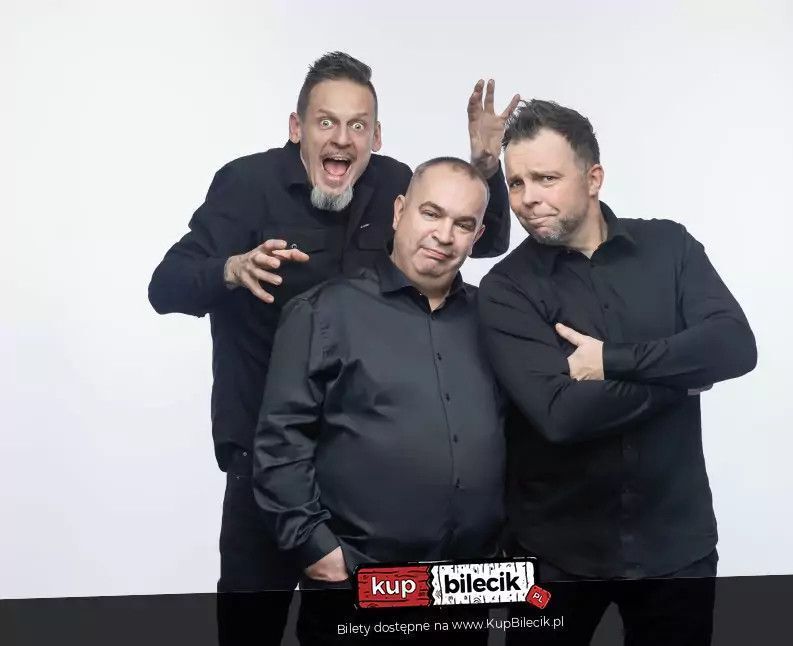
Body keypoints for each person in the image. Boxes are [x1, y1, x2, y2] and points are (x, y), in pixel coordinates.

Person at [147, 51, 515, 645]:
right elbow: (164, 287)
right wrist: (232, 268)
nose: (342, 138)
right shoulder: (246, 185)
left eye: (358, 125)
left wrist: (484, 166)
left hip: (361, 463)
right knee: (251, 625)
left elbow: (475, 236)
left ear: (376, 136)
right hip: (267, 456)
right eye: (326, 122)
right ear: (298, 127)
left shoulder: (394, 182)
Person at [477, 100, 758, 645]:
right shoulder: (506, 289)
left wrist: (611, 360)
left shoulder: (669, 247)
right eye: (516, 183)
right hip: (553, 556)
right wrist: (680, 378)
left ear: (593, 178)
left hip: (675, 548)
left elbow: (733, 344)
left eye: (546, 178)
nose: (527, 198)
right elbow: (560, 414)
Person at [254, 157, 504, 645]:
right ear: (399, 211)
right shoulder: (324, 312)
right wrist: (318, 551)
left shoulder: (494, 322)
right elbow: (279, 444)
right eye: (431, 213)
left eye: (463, 224)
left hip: (464, 591)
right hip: (359, 587)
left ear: (477, 237)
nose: (444, 235)